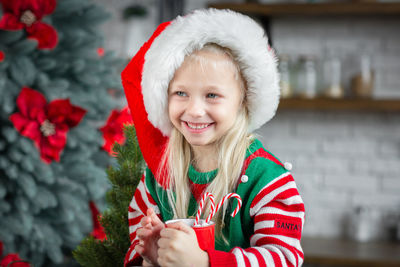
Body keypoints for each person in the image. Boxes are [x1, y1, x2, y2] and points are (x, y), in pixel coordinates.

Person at [122, 8, 305, 267]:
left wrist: (206, 262)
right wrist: (150, 256)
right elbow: (132, 243)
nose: (195, 110)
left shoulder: (267, 180)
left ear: (243, 101)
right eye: (181, 93)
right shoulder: (158, 176)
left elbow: (284, 258)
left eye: (212, 95)